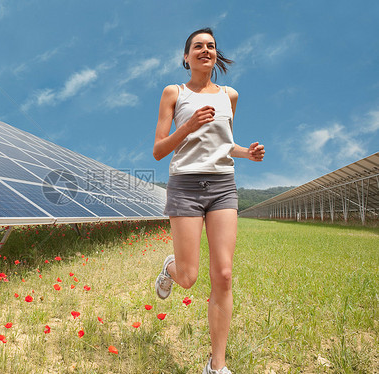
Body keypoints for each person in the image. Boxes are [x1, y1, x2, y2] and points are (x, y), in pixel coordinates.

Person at [152, 28, 265, 374]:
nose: (206, 50)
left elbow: (223, 144)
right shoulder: (175, 92)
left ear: (216, 55)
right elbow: (158, 151)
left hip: (223, 186)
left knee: (225, 275)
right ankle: (170, 268)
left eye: (211, 46)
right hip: (185, 185)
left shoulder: (230, 95)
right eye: (197, 46)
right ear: (186, 57)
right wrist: (188, 127)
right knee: (188, 277)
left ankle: (217, 365)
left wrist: (246, 152)